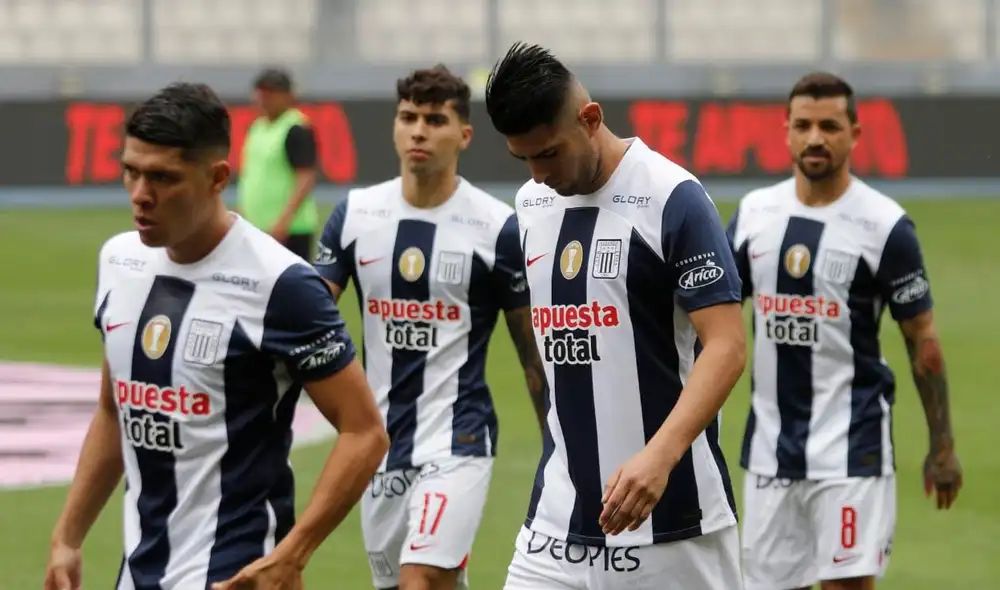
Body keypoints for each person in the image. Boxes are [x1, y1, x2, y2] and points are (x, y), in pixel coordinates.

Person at [43, 82, 389, 590]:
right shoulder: (118, 261)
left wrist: (293, 555)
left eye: (163, 178)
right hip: (140, 572)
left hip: (235, 570)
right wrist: (68, 537)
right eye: (131, 171)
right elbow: (115, 408)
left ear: (217, 178)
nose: (141, 194)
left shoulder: (282, 286)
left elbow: (365, 432)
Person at [483, 42, 748, 590]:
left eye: (549, 153)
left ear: (590, 118)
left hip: (674, 522)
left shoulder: (673, 199)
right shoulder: (530, 209)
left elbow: (727, 346)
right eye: (523, 159)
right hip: (557, 525)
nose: (536, 175)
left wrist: (659, 457)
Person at [313, 64, 547, 590]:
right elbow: (309, 326)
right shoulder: (354, 215)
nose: (419, 130)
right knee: (418, 584)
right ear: (395, 127)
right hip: (378, 445)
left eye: (435, 120)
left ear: (463, 135)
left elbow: (532, 352)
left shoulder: (496, 226)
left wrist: (560, 450)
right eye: (408, 117)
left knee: (420, 578)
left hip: (458, 436)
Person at [726, 72, 963, 590]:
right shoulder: (752, 215)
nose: (816, 138)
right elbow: (713, 322)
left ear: (855, 134)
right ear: (785, 130)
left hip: (854, 449)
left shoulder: (885, 225)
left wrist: (941, 446)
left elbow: (923, 343)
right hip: (769, 453)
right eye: (804, 125)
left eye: (830, 125)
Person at [237, 67, 320, 261]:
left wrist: (284, 221)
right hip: (258, 226)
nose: (264, 98)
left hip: (289, 229)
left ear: (288, 96)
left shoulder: (296, 128)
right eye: (261, 93)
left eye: (271, 93)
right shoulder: (258, 127)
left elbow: (305, 177)